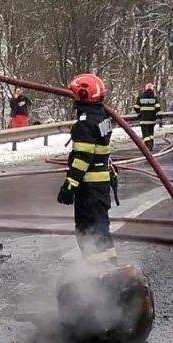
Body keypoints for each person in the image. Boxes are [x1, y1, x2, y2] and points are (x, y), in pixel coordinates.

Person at [57, 73, 117, 267]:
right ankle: (111, 267)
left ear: (83, 95)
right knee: (101, 228)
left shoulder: (85, 124)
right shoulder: (102, 117)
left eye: (75, 95)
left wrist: (70, 185)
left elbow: (82, 158)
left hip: (89, 188)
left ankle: (98, 274)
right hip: (101, 186)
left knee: (87, 230)